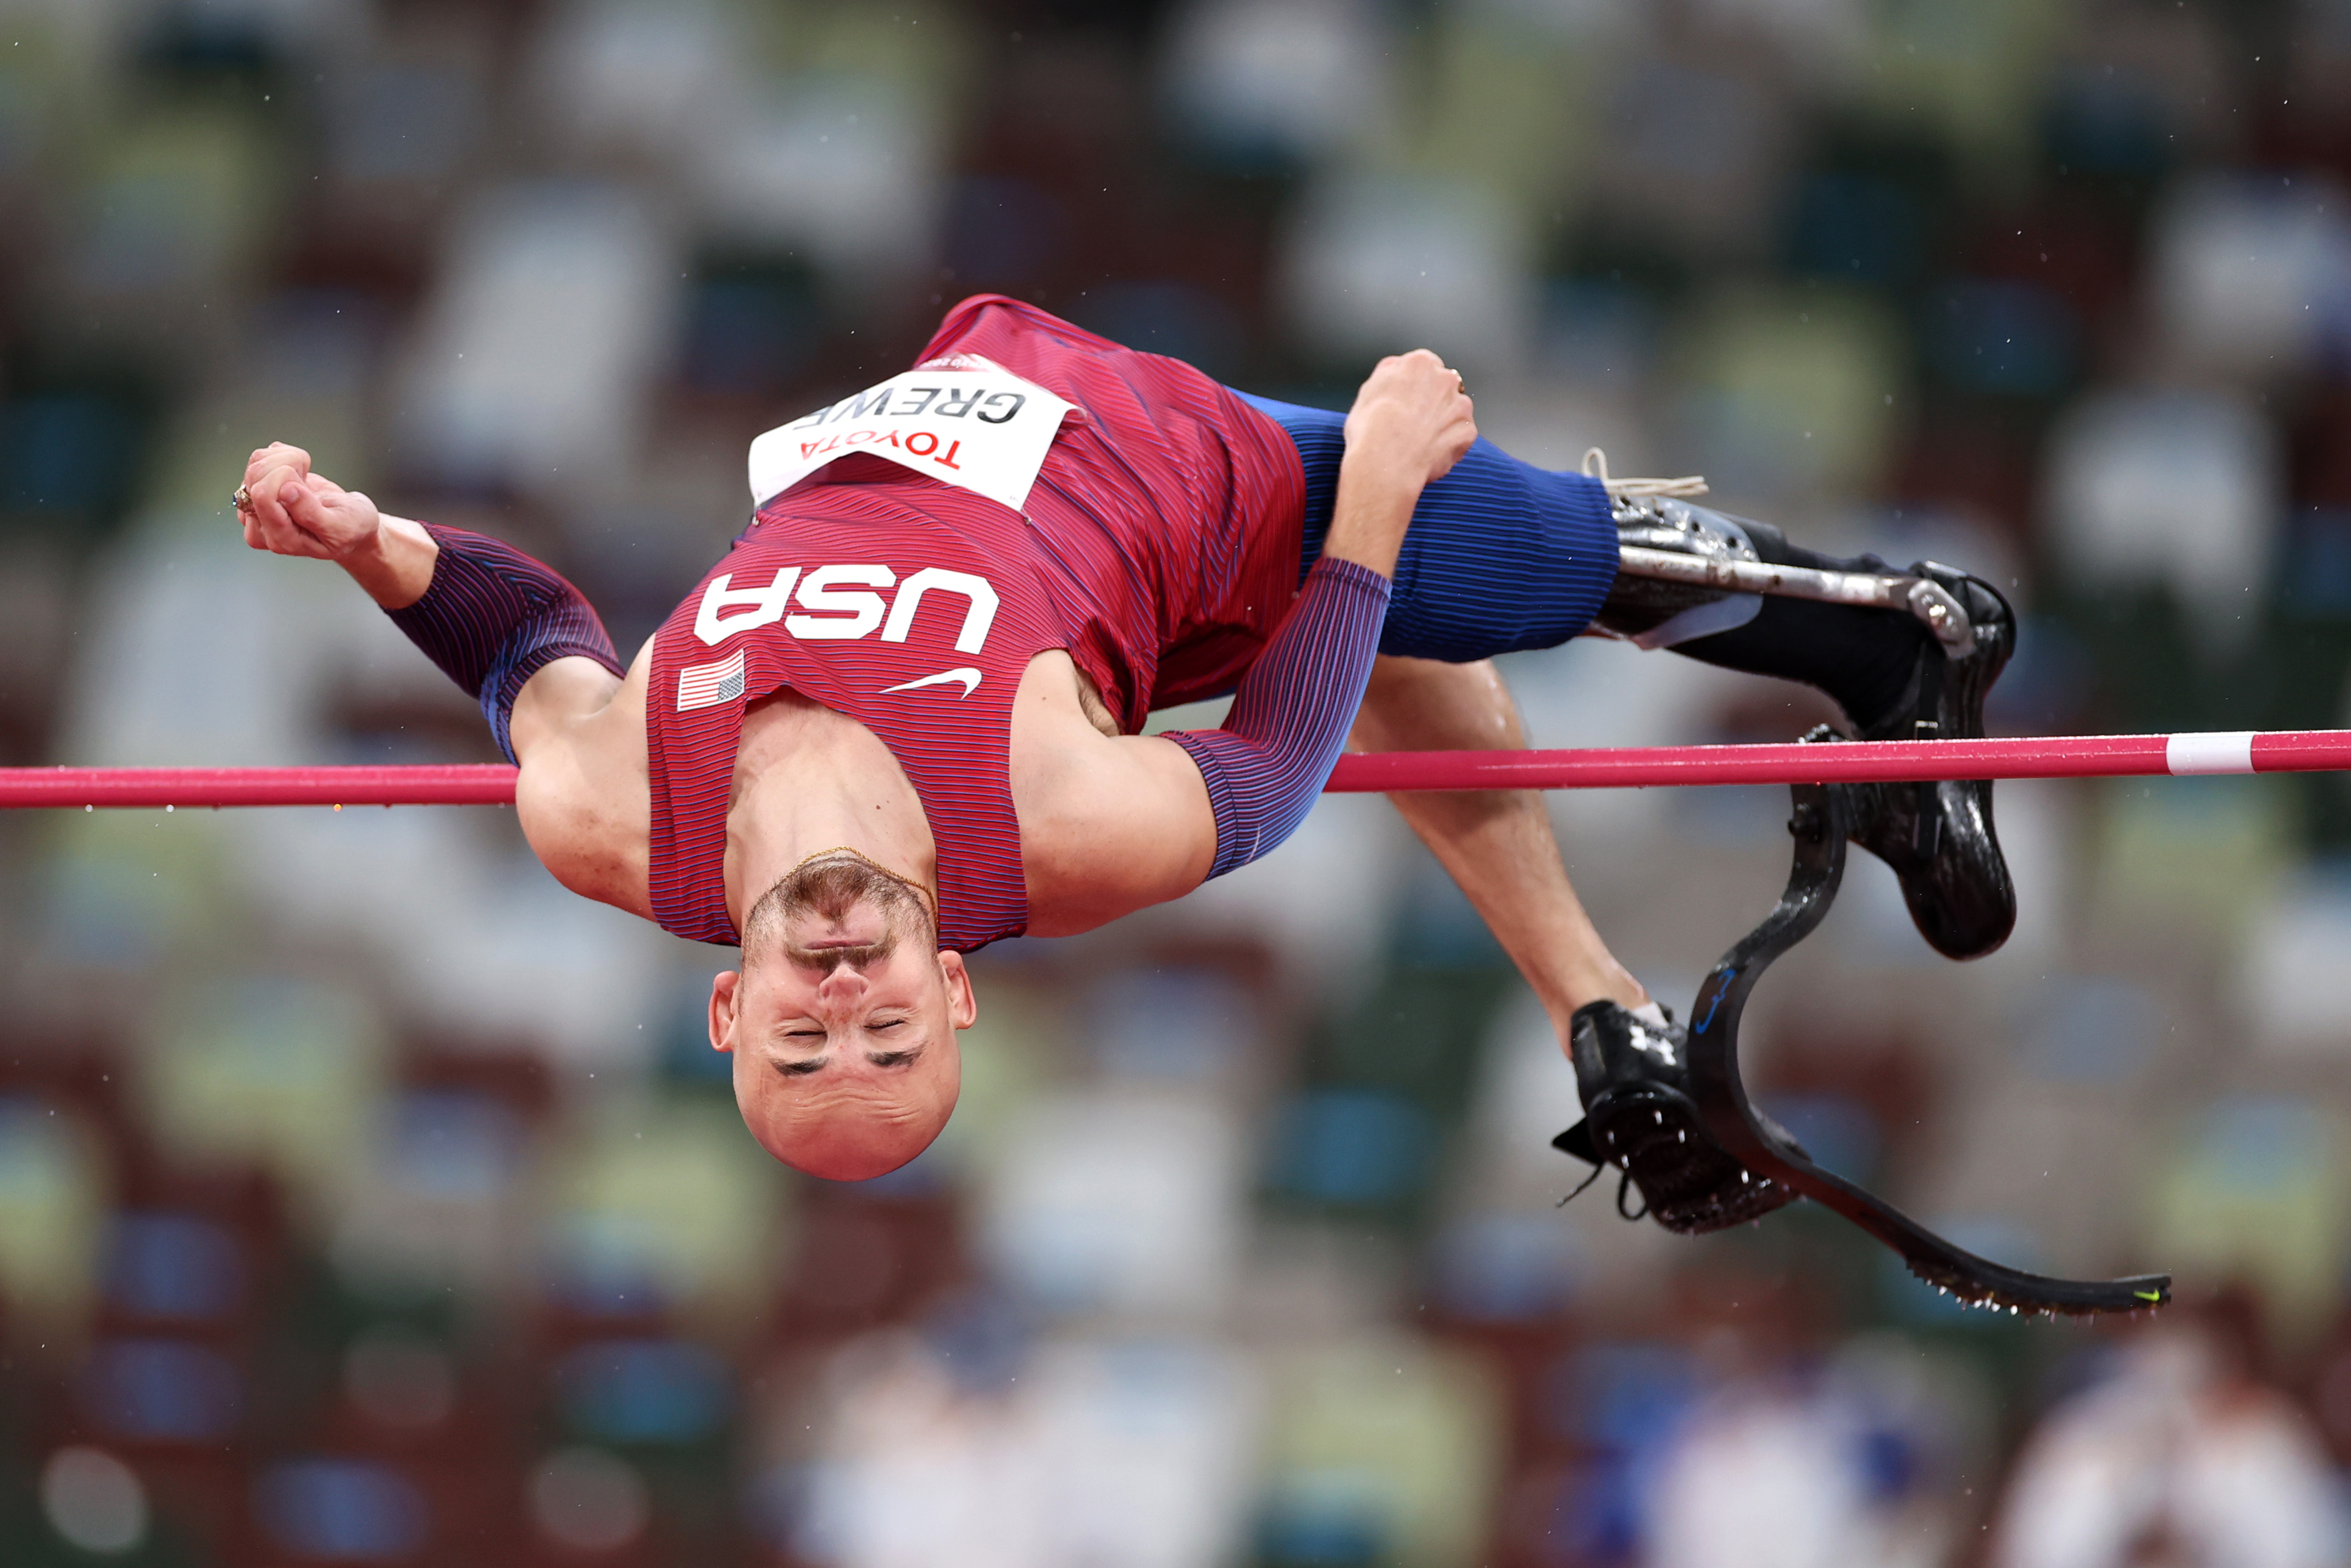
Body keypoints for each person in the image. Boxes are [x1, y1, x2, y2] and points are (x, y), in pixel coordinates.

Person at [231, 294, 2012, 1220]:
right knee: (1519, 576)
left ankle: (1650, 937)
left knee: (1470, 598)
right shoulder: (1053, 829)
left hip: (958, 397)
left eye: (808, 1028)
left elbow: (530, 650)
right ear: (956, 987)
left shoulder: (610, 818)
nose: (845, 983)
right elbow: (1278, 758)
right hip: (1192, 491)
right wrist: (1373, 494)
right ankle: (1913, 633)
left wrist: (373, 544)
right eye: (887, 1025)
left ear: (727, 1004)